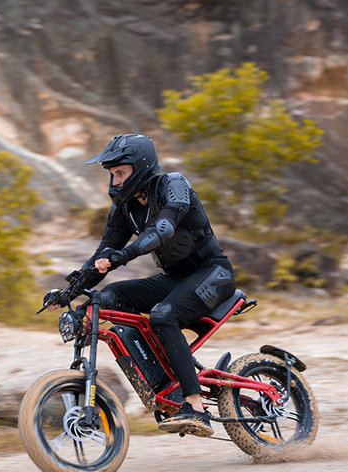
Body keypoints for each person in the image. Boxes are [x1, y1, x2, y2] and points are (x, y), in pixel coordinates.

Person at [71, 133, 236, 437]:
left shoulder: (173, 184)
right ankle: (164, 382)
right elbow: (102, 256)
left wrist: (124, 256)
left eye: (121, 173)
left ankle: (196, 407)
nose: (115, 181)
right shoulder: (124, 208)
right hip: (174, 279)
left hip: (213, 273)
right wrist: (69, 290)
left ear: (141, 167)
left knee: (163, 315)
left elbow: (163, 228)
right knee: (109, 296)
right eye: (112, 174)